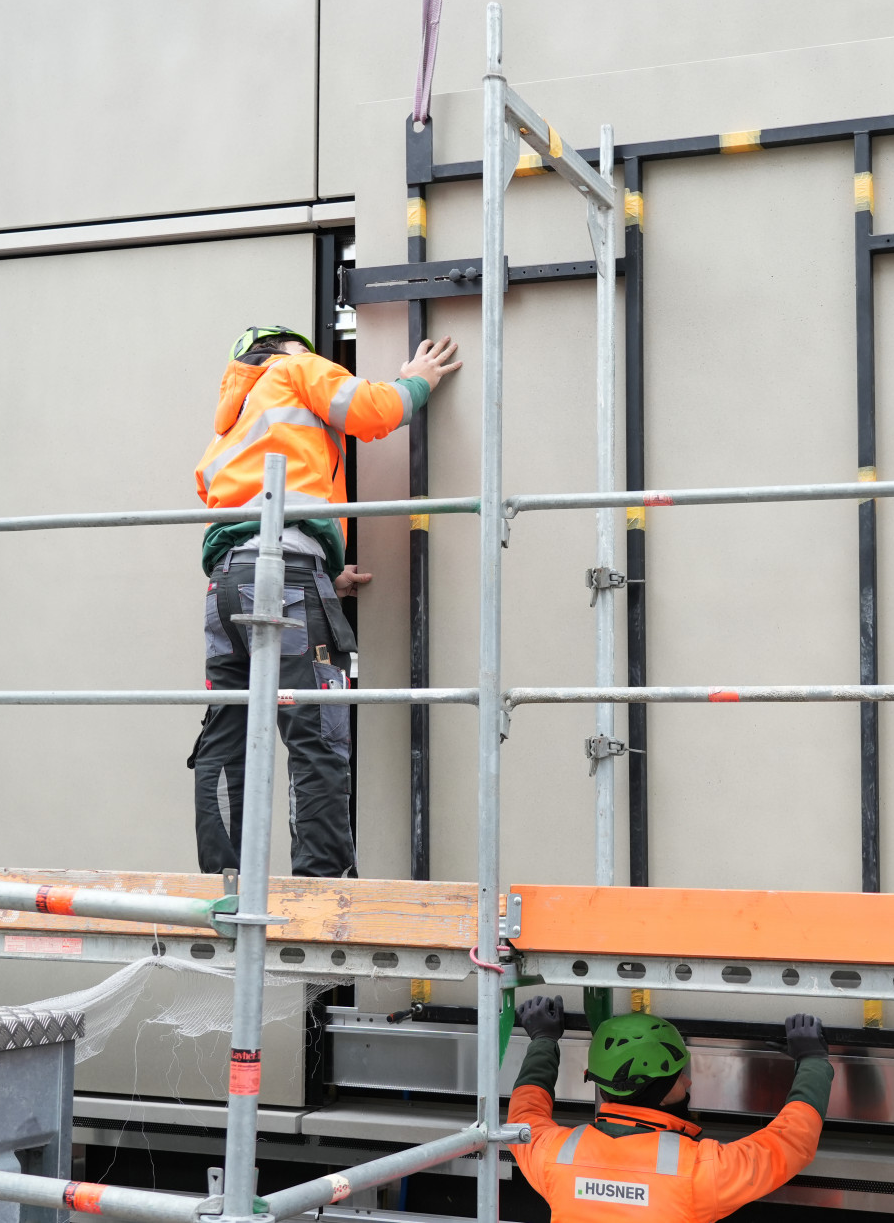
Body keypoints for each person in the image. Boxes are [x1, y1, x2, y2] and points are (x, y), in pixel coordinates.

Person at [189, 325, 460, 877]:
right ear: (285, 348)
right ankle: (323, 887)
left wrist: (323, 571)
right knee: (316, 733)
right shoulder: (292, 368)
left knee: (226, 733)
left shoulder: (230, 425)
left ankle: (225, 883)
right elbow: (369, 410)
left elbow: (247, 514)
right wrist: (414, 383)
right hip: (284, 576)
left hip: (226, 585)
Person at [509, 997, 832, 1221]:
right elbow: (790, 1141)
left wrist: (542, 1039)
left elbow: (524, 1116)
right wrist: (813, 1060)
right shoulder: (698, 1171)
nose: (688, 1084)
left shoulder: (555, 1154)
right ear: (659, 1094)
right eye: (679, 1077)